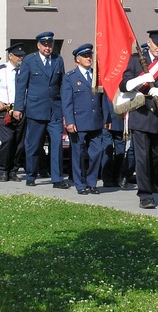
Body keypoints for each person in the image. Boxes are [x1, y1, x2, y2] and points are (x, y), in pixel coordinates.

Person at [120, 30, 158, 209]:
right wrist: (141, 78)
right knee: (142, 158)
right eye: (157, 44)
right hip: (141, 116)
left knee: (156, 156)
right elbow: (124, 85)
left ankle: (150, 184)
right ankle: (145, 195)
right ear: (149, 43)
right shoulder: (137, 60)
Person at [13, 31, 68, 188]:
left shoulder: (58, 60)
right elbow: (21, 85)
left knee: (56, 144)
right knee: (33, 145)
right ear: (38, 46)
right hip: (36, 110)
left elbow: (62, 85)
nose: (47, 47)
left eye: (50, 45)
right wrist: (18, 107)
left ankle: (57, 179)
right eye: (44, 45)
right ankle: (31, 175)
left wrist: (64, 110)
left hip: (55, 110)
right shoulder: (30, 61)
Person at [61, 44, 106, 195]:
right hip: (78, 121)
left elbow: (102, 100)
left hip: (95, 121)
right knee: (78, 154)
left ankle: (92, 182)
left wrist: (105, 118)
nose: (89, 58)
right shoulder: (70, 78)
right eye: (85, 56)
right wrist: (69, 121)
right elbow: (66, 101)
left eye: (90, 56)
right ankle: (80, 184)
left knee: (97, 152)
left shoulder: (96, 76)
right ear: (77, 59)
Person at [0, 43, 27, 182]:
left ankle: (13, 170)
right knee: (7, 140)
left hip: (21, 109)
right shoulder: (0, 69)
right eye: (18, 56)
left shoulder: (25, 69)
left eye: (22, 56)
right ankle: (3, 169)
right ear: (10, 56)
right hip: (5, 110)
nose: (20, 58)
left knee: (19, 142)